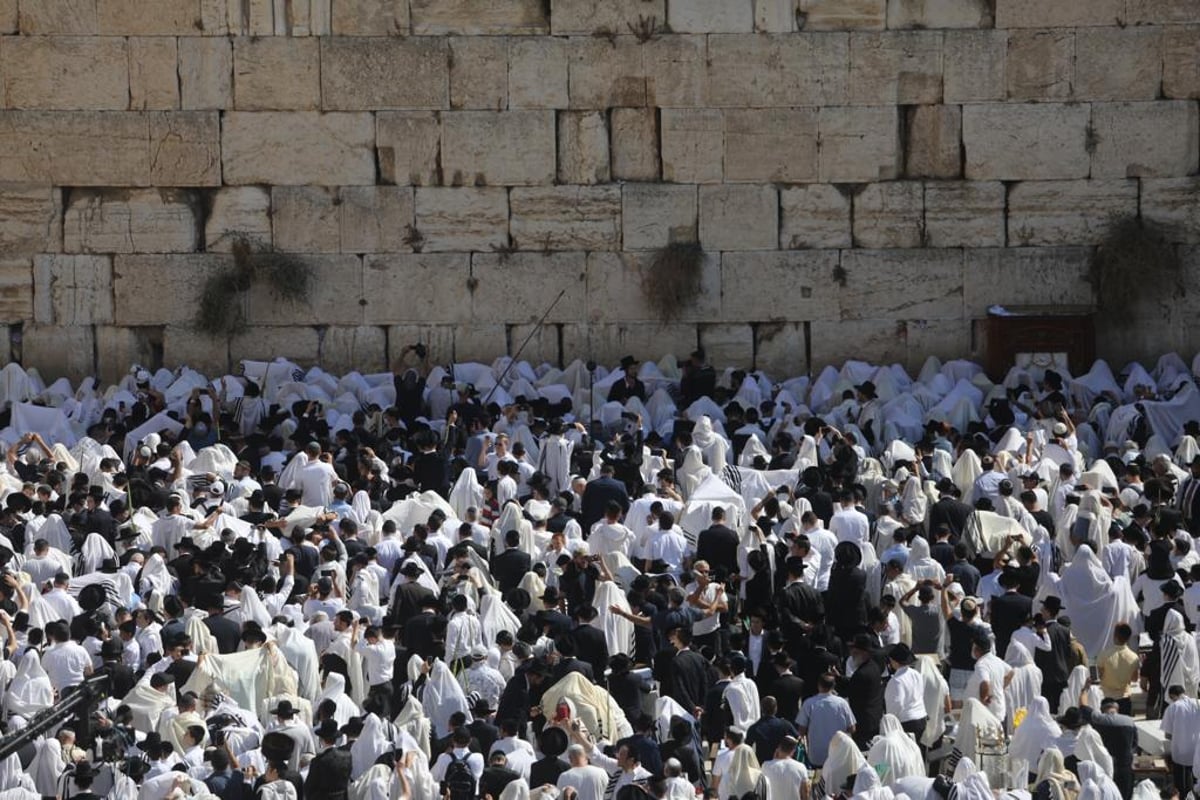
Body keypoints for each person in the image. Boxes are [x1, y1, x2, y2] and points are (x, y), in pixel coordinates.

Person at [796, 673, 856, 770]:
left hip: (816, 755)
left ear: (818, 685)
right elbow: (852, 728)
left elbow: (801, 730)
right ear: (833, 686)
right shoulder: (842, 703)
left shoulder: (809, 703)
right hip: (838, 754)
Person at [1161, 685, 1200, 793]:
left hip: (1180, 751)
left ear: (1172, 695)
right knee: (1196, 779)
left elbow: (1168, 735)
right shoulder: (1198, 703)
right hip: (1197, 750)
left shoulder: (1173, 707)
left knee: (1181, 784)